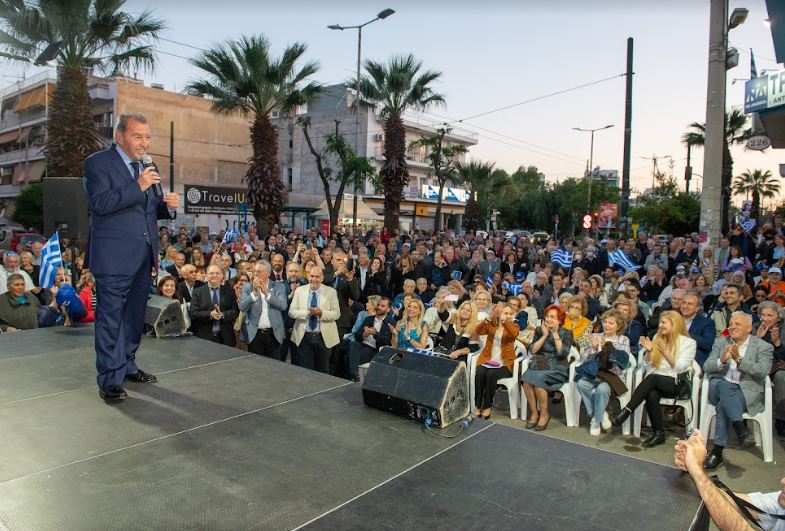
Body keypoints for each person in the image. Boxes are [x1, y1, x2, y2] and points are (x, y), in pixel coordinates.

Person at [83, 112, 179, 402]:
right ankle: (109, 379)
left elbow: (148, 209)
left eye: (148, 137)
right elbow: (100, 204)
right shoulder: (97, 164)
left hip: (143, 256)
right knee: (110, 319)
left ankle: (127, 365)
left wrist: (167, 206)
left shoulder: (148, 167)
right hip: (112, 258)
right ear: (119, 136)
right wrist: (138, 186)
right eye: (138, 136)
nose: (145, 142)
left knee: (134, 318)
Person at [611, 311, 696, 448]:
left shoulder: (689, 343)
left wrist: (665, 352)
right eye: (660, 322)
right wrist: (649, 351)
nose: (660, 325)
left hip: (675, 383)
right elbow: (647, 365)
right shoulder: (657, 337)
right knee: (651, 392)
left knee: (653, 378)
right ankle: (659, 434)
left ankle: (627, 410)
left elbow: (679, 367)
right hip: (654, 381)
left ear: (674, 324)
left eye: (664, 323)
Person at [702, 312, 773, 469]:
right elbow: (706, 367)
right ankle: (740, 427)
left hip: (744, 392)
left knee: (723, 405)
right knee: (723, 385)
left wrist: (739, 360)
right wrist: (722, 360)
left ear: (749, 328)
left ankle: (717, 451)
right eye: (731, 324)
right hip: (718, 387)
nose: (732, 327)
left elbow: (763, 370)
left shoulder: (763, 347)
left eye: (737, 324)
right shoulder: (721, 342)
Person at [675, 429, 785, 530]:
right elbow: (740, 504)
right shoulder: (781, 501)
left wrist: (697, 472)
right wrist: (696, 468)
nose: (783, 481)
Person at [576, 309, 631, 436]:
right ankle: (600, 414)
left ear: (619, 326)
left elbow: (622, 363)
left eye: (611, 323)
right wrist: (594, 349)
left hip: (612, 376)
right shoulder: (596, 337)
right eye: (605, 322)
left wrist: (608, 348)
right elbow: (583, 359)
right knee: (581, 384)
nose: (606, 325)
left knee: (602, 389)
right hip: (594, 374)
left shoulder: (624, 340)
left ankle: (595, 420)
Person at [521, 304, 574, 431]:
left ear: (560, 320)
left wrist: (554, 333)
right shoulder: (539, 331)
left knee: (538, 380)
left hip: (558, 366)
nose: (549, 319)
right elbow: (533, 350)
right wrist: (544, 335)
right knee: (526, 379)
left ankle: (544, 414)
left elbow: (562, 353)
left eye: (553, 317)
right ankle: (534, 412)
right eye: (547, 316)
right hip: (541, 364)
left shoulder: (567, 333)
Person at [473, 302, 520, 419]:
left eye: (510, 313)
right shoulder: (491, 325)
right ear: (499, 313)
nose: (508, 315)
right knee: (480, 372)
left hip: (505, 364)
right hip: (488, 360)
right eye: (505, 313)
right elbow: (478, 331)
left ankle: (487, 405)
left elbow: (514, 334)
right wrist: (489, 317)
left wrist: (505, 321)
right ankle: (477, 404)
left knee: (490, 374)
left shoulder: (513, 326)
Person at [289, 266, 340, 373]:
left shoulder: (331, 292)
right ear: (308, 276)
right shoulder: (299, 291)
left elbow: (336, 314)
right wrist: (307, 313)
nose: (314, 279)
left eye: (317, 277)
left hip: (323, 337)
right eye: (312, 276)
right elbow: (291, 312)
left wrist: (321, 313)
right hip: (304, 336)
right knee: (305, 371)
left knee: (323, 370)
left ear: (322, 278)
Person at [239, 260, 288, 359]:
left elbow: (283, 306)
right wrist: (254, 294)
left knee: (274, 366)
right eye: (254, 271)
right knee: (257, 367)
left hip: (274, 334)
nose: (255, 274)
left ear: (268, 273)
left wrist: (267, 295)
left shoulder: (279, 286)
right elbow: (242, 307)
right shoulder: (247, 287)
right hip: (255, 334)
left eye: (259, 271)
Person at [189, 264, 239, 346]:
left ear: (222, 275)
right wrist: (210, 314)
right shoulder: (197, 292)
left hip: (225, 337)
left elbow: (235, 311)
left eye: (217, 273)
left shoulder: (229, 291)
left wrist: (223, 315)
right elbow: (193, 313)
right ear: (206, 275)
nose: (214, 275)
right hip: (204, 337)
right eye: (211, 273)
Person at [347, 297, 393, 381]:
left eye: (382, 306)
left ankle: (353, 376)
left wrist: (375, 334)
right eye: (378, 305)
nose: (379, 307)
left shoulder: (390, 322)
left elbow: (387, 341)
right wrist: (365, 334)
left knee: (353, 356)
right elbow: (357, 335)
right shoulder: (369, 319)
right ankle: (354, 375)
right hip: (363, 344)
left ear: (388, 309)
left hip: (375, 349)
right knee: (353, 344)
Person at [681, 291, 717, 368]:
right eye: (684, 302)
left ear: (697, 308)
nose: (685, 306)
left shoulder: (707, 323)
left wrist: (686, 333)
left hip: (693, 360)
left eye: (690, 304)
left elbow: (708, 344)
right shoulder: (673, 319)